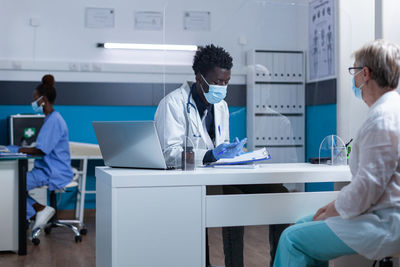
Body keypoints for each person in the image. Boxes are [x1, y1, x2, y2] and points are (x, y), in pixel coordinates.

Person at [155, 44, 288, 267]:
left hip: (217, 178)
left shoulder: (221, 106)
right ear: (199, 78)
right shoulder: (173, 104)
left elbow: (220, 146)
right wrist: (209, 155)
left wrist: (234, 154)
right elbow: (168, 154)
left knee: (281, 194)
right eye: (217, 82)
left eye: (226, 82)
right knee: (229, 201)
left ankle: (279, 263)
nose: (222, 87)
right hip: (188, 184)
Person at [273, 39, 400, 267]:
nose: (353, 79)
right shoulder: (389, 111)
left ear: (365, 74)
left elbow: (367, 187)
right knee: (304, 222)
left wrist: (334, 208)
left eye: (354, 71)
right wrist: (336, 205)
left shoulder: (383, 118)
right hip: (381, 213)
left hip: (386, 223)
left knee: (292, 239)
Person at [8, 74, 74, 230]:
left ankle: (36, 211)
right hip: (48, 169)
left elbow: (40, 150)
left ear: (43, 100)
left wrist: (16, 149)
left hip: (53, 172)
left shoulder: (54, 121)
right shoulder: (50, 119)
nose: (33, 103)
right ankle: (37, 211)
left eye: (35, 99)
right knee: (14, 182)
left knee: (12, 183)